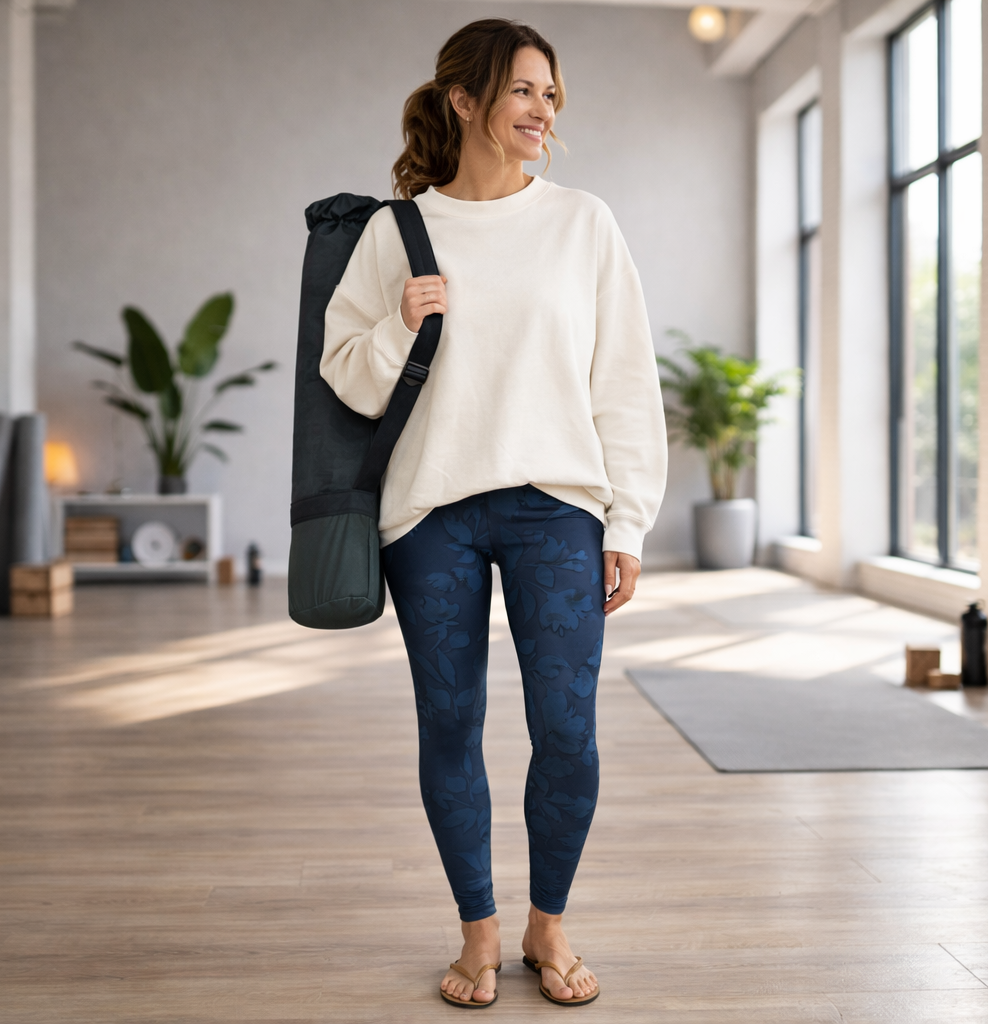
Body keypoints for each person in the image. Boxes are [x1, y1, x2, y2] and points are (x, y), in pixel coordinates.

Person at [321, 18, 667, 1008]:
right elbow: (345, 378)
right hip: (429, 514)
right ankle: (476, 934)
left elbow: (624, 380)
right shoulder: (396, 231)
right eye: (522, 90)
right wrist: (398, 323)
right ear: (465, 100)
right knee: (451, 724)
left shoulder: (583, 223)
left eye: (551, 96)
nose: (541, 111)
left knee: (567, 730)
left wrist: (627, 520)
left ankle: (545, 928)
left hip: (556, 507)